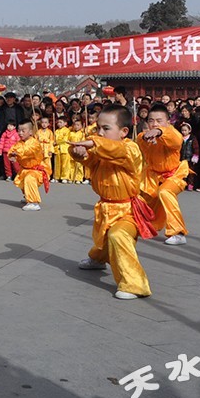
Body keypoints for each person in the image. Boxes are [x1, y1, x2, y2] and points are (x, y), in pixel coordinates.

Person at [72, 105, 159, 300]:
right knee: (104, 237)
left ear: (124, 131)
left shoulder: (129, 149)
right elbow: (90, 161)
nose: (100, 133)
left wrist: (93, 143)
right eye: (98, 128)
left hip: (127, 210)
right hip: (106, 207)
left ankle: (135, 284)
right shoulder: (101, 149)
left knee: (118, 235)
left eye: (106, 128)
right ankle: (98, 258)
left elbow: (115, 150)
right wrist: (79, 154)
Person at [138, 103, 190, 246]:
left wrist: (159, 132)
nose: (155, 124)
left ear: (168, 122)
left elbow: (175, 139)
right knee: (143, 199)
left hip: (174, 175)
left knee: (165, 192)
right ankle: (150, 226)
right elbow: (141, 140)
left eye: (159, 121)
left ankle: (178, 232)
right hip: (153, 176)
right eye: (151, 121)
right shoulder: (143, 137)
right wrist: (150, 136)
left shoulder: (173, 134)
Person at [9, 119, 49, 211]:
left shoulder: (35, 143)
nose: (20, 133)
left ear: (30, 132)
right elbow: (12, 150)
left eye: (23, 131)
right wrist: (11, 155)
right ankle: (27, 196)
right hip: (24, 169)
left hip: (36, 170)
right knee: (22, 181)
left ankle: (33, 202)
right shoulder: (19, 143)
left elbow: (28, 151)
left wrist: (18, 153)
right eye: (19, 130)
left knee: (29, 179)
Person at [178, 122, 200, 191]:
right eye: (182, 130)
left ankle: (191, 184)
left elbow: (196, 148)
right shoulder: (180, 138)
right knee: (182, 172)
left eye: (185, 130)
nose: (183, 132)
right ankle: (183, 183)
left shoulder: (192, 138)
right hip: (182, 158)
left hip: (190, 158)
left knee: (190, 172)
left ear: (189, 130)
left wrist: (195, 156)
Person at [53, 117, 71, 182]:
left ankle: (65, 177)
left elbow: (65, 140)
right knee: (57, 164)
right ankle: (56, 176)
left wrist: (57, 142)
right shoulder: (56, 131)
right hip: (57, 149)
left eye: (61, 122)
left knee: (65, 164)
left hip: (64, 149)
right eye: (58, 122)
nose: (59, 124)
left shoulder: (67, 130)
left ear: (65, 123)